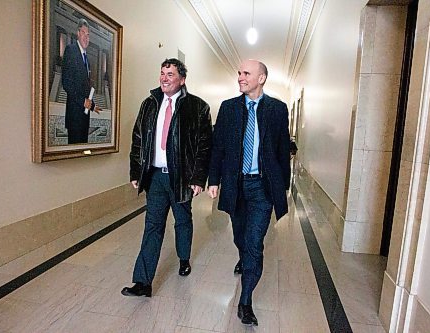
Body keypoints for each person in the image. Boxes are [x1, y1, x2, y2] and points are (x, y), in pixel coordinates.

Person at [208, 59, 290, 326]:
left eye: (246, 73)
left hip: (263, 188)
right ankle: (242, 258)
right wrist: (213, 181)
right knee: (241, 238)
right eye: (239, 73)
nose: (241, 77)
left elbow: (282, 152)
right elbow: (218, 147)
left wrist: (283, 188)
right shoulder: (229, 108)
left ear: (262, 78)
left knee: (255, 243)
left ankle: (246, 301)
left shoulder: (277, 109)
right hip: (236, 184)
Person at [122, 58, 212, 298]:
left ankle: (183, 258)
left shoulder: (198, 107)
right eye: (162, 73)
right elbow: (138, 139)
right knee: (152, 226)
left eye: (170, 74)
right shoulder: (149, 104)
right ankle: (143, 282)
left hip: (181, 177)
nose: (164, 78)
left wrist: (198, 178)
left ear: (182, 79)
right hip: (155, 177)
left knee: (182, 220)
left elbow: (204, 146)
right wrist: (135, 171)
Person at [62, 18, 100, 144]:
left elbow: (85, 87)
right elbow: (67, 83)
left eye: (88, 35)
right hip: (74, 118)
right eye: (83, 33)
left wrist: (92, 105)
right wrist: (83, 101)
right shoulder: (71, 50)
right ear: (78, 33)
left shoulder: (86, 59)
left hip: (84, 118)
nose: (86, 37)